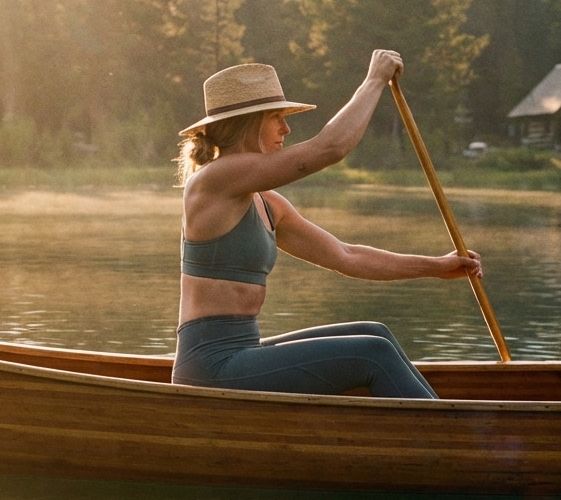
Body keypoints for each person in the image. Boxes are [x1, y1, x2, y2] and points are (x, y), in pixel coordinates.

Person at [172, 51, 482, 399]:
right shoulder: (216, 179)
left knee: (374, 334)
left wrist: (437, 266)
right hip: (210, 365)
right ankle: (449, 436)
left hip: (243, 350)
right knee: (371, 354)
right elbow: (330, 147)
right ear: (248, 123)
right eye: (277, 118)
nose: (286, 129)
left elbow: (347, 255)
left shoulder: (268, 203)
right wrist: (374, 80)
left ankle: (436, 422)